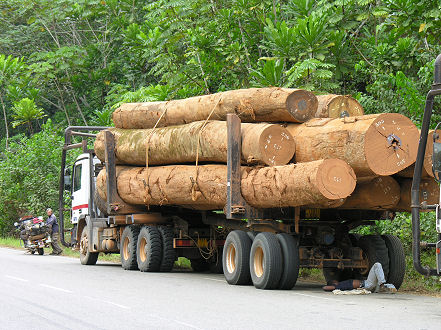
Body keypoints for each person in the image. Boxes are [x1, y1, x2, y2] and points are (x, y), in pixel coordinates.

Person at [323, 262, 397, 293]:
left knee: (391, 286)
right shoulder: (338, 286)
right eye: (334, 281)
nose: (336, 280)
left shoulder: (341, 284)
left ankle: (382, 288)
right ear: (333, 283)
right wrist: (331, 286)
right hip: (367, 285)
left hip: (371, 286)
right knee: (377, 265)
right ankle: (382, 286)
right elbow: (325, 288)